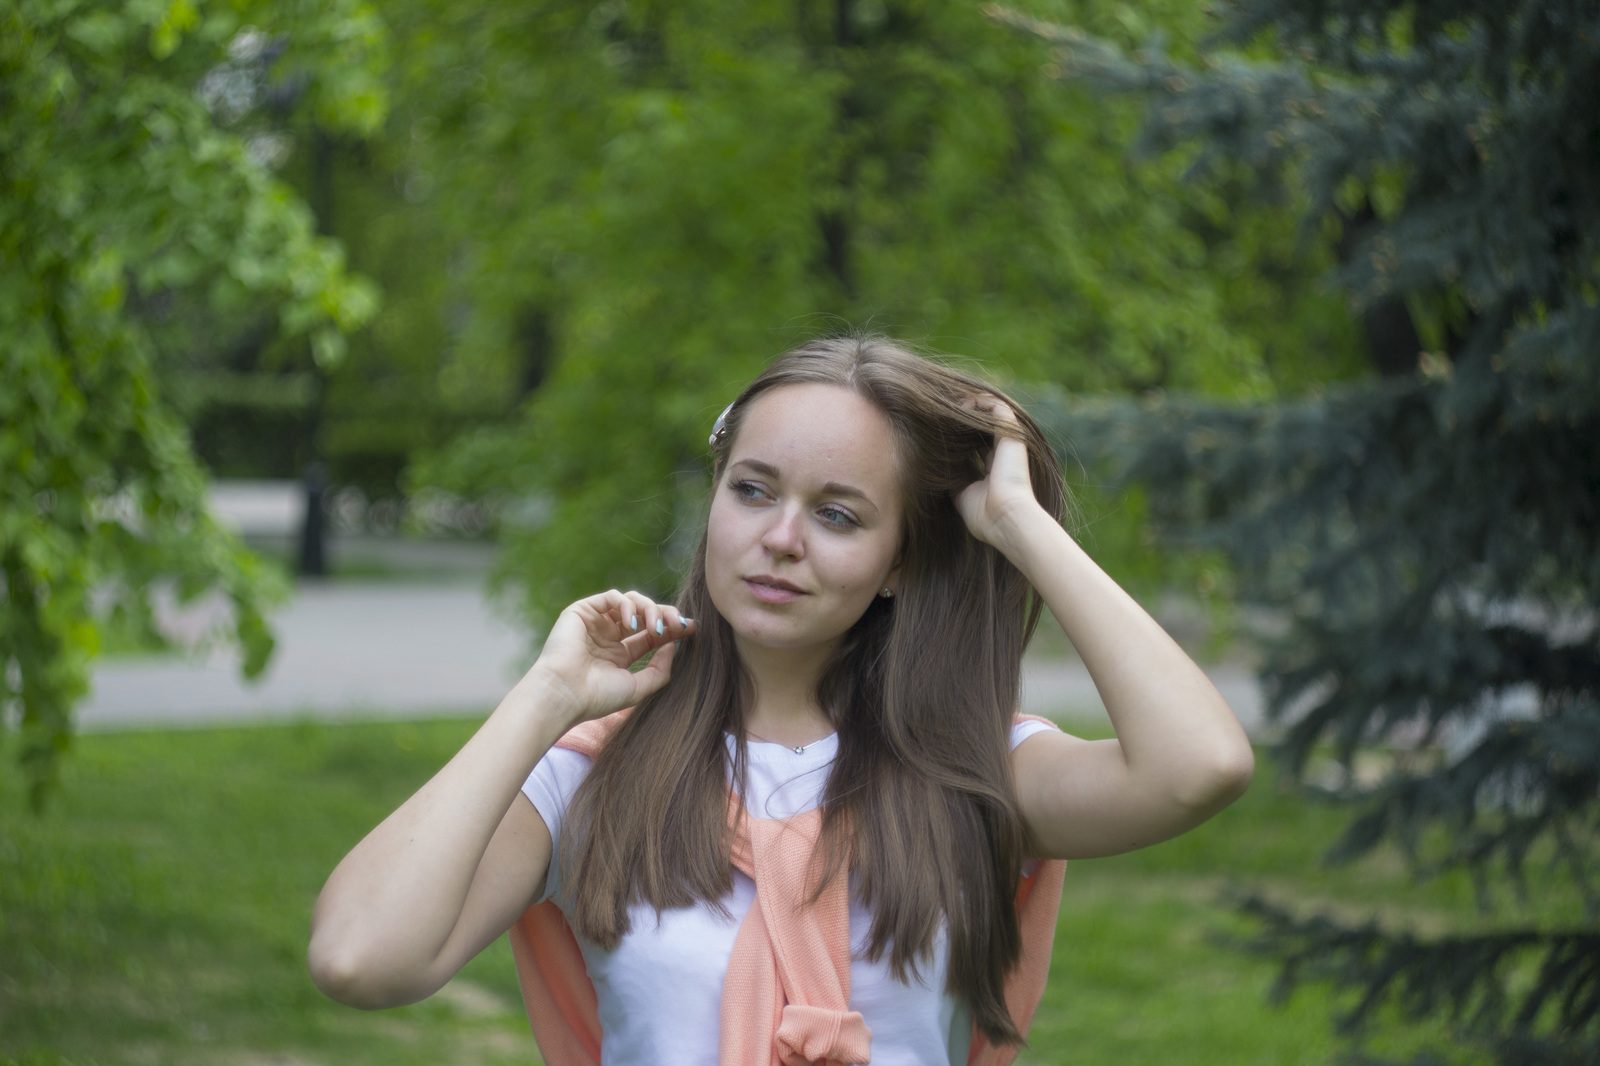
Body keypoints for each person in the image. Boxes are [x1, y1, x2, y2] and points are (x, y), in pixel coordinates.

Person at [307, 335, 1255, 1065]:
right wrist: (548, 696)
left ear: (900, 564)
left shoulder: (974, 768)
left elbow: (1199, 766)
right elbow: (361, 957)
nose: (781, 538)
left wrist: (1015, 522)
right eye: (753, 491)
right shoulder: (598, 769)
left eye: (839, 514)